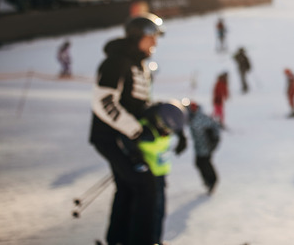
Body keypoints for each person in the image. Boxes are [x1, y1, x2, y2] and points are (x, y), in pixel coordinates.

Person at [89, 13, 186, 245]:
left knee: (128, 188)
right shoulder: (116, 62)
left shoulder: (140, 65)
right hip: (112, 137)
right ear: (136, 36)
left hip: (127, 138)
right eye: (151, 37)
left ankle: (118, 239)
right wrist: (136, 130)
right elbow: (103, 101)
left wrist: (158, 116)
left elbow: (137, 104)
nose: (155, 42)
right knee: (144, 186)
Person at [134, 100, 187, 245]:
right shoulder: (146, 129)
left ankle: (156, 240)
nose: (168, 132)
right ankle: (150, 240)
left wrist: (181, 136)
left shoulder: (165, 120)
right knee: (151, 212)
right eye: (167, 129)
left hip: (160, 174)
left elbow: (176, 120)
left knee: (160, 211)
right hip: (147, 176)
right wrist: (137, 159)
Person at [185, 99, 222, 194]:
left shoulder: (199, 118)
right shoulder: (193, 117)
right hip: (199, 146)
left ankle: (212, 181)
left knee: (204, 163)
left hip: (206, 146)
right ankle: (208, 181)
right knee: (199, 163)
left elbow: (214, 125)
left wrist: (214, 139)